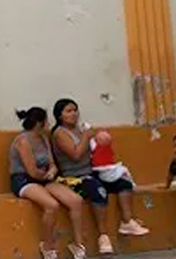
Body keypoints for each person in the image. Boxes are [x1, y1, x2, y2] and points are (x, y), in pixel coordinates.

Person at [51, 99, 149, 257]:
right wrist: (86, 136)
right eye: (68, 111)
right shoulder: (59, 133)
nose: (74, 114)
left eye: (75, 110)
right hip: (74, 177)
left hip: (92, 171)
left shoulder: (80, 129)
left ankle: (127, 220)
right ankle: (103, 236)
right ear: (60, 115)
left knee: (123, 183)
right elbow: (75, 155)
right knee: (99, 191)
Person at [8, 107, 85, 259]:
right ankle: (48, 245)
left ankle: (78, 244)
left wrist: (52, 170)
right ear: (39, 123)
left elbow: (51, 162)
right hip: (24, 179)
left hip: (45, 178)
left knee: (76, 201)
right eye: (46, 121)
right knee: (51, 205)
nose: (49, 123)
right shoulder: (23, 141)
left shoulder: (43, 138)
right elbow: (32, 171)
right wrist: (46, 175)